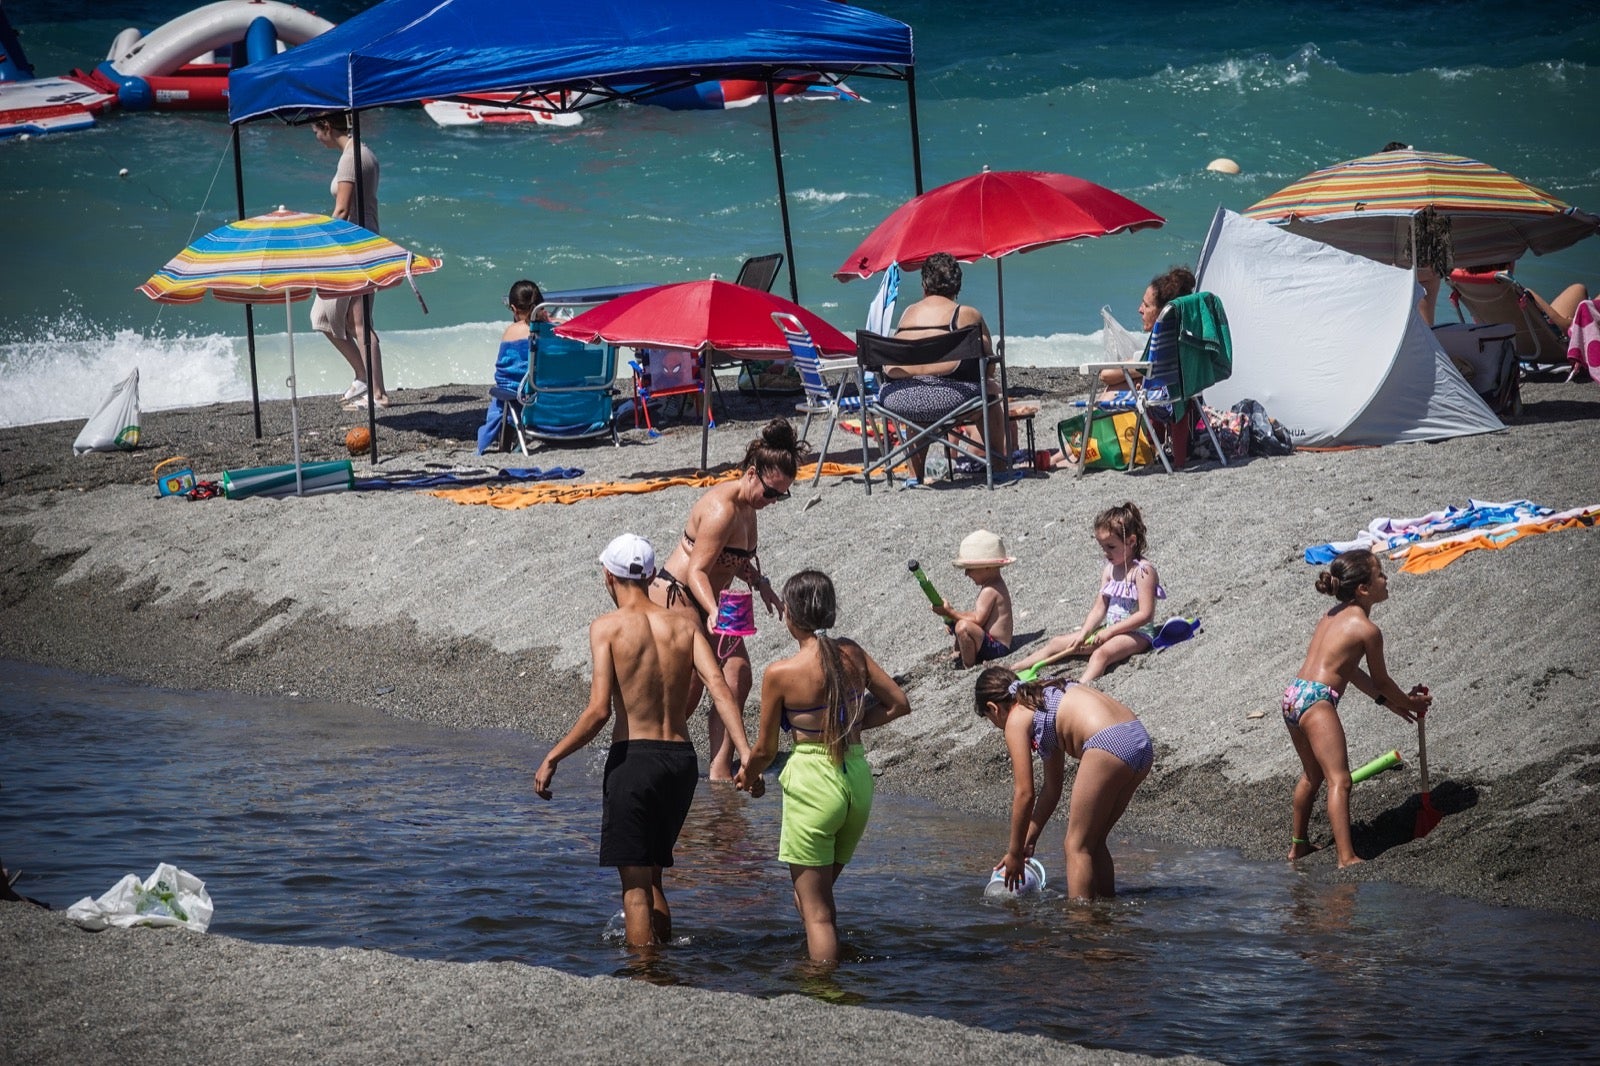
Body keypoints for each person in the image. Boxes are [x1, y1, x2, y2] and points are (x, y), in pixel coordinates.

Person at [533, 534, 760, 949]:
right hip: (680, 763)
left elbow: (599, 711)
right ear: (653, 574)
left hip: (633, 761)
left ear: (608, 576)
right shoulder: (685, 626)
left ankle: (644, 980)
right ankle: (665, 965)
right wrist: (745, 755)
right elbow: (720, 689)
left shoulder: (606, 628)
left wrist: (553, 756)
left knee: (635, 887)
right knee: (654, 875)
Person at [736, 570, 911, 963]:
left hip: (815, 782)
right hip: (857, 780)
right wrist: (855, 724)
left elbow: (765, 749)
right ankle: (828, 966)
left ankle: (824, 994)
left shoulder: (780, 673)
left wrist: (748, 775)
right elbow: (899, 703)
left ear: (790, 615)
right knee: (813, 899)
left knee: (817, 914)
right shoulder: (853, 653)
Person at [649, 418, 803, 780]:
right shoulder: (722, 509)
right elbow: (697, 571)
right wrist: (714, 611)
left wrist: (760, 582)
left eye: (782, 495)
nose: (774, 501)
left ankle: (719, 773)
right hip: (679, 595)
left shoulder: (750, 506)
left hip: (709, 603)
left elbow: (732, 559)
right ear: (752, 474)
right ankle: (657, 751)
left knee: (737, 677)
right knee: (689, 689)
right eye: (771, 492)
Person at [1282, 548, 1429, 868]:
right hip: (1317, 700)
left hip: (1294, 695)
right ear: (1363, 588)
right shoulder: (1367, 630)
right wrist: (1408, 701)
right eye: (1380, 574)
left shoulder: (1332, 615)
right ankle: (1346, 857)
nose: (1386, 578)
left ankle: (1299, 846)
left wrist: (1387, 704)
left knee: (1312, 774)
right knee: (1340, 780)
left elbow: (1349, 670)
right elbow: (1383, 680)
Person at [974, 667, 1152, 900]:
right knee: (1094, 842)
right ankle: (1107, 912)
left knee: (1076, 846)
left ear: (993, 708)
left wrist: (1014, 853)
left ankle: (1080, 925)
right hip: (1139, 739)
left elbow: (1024, 793)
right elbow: (1052, 788)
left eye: (991, 721)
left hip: (1107, 742)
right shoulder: (1043, 696)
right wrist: (1029, 839)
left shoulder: (1016, 719)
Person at [880, 252, 1010, 484]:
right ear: (957, 285)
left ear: (924, 284)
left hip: (898, 400)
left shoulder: (908, 313)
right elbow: (988, 366)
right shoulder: (967, 314)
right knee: (990, 390)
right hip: (947, 401)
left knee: (918, 392)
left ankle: (913, 476)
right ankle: (999, 468)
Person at [1011, 502, 1164, 684]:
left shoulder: (1143, 572)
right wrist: (1084, 633)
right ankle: (1014, 669)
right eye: (1103, 547)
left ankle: (1080, 687)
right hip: (1108, 630)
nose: (1106, 553)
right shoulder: (1110, 569)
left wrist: (1110, 632)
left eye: (1111, 547)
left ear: (1131, 541)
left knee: (1101, 654)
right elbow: (1099, 608)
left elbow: (1145, 615)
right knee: (1057, 643)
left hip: (1136, 634)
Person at [309, 111, 388, 410]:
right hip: (363, 243)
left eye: (315, 131)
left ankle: (378, 393)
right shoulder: (365, 152)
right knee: (330, 318)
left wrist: (320, 247)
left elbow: (342, 211)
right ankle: (363, 377)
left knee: (358, 324)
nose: (316, 138)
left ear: (326, 127)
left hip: (353, 248)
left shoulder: (350, 158)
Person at [1095, 265, 1195, 390]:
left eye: (1146, 306)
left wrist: (1138, 369)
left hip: (1164, 406)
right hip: (1187, 401)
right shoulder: (1186, 342)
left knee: (1115, 386)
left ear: (1163, 312)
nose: (1140, 309)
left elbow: (1106, 375)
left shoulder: (1161, 351)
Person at [476, 279, 547, 453]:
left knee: (503, 396)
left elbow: (504, 373)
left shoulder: (512, 332)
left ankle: (507, 440)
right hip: (551, 396)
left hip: (523, 398)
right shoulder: (555, 329)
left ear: (514, 309)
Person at [932, 529, 1015, 669]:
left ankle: (968, 665)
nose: (966, 574)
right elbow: (978, 616)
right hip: (990, 642)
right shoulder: (994, 585)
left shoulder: (990, 590)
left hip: (997, 648)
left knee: (963, 626)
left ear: (988, 567)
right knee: (960, 621)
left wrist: (949, 612)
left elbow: (978, 620)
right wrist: (954, 617)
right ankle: (958, 653)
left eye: (970, 569)